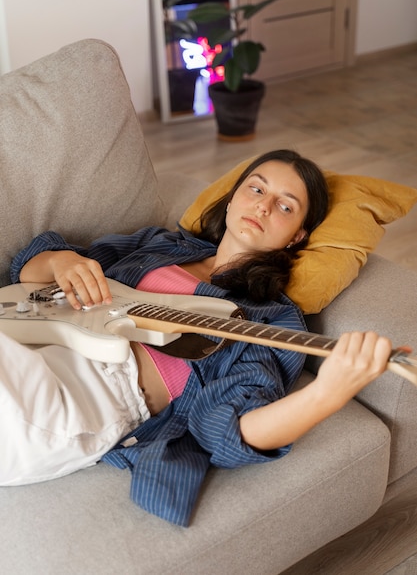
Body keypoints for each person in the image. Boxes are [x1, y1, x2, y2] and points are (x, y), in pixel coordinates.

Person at [5, 150, 391, 526]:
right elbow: (29, 271)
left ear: (297, 237)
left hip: (93, 395)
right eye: (256, 189)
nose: (264, 206)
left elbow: (226, 429)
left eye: (286, 207)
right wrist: (62, 261)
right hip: (37, 346)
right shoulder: (163, 245)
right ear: (231, 198)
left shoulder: (270, 318)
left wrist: (327, 393)